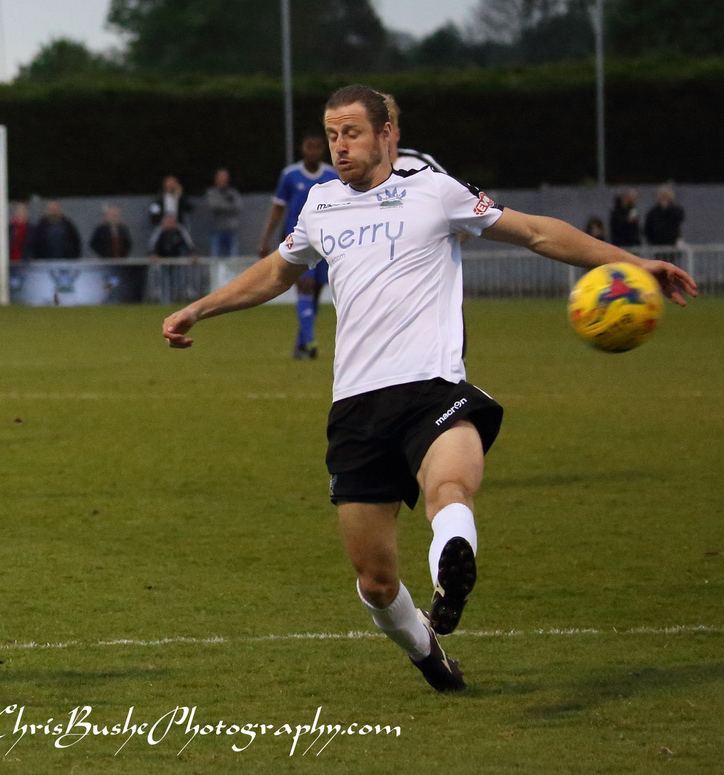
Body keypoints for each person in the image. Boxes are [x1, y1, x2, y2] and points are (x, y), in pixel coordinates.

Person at [162, 84, 696, 694]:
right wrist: (199, 308)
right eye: (332, 134)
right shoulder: (321, 205)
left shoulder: (434, 190)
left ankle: (452, 564)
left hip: (432, 388)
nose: (339, 145)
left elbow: (537, 234)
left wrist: (629, 263)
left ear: (387, 134)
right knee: (376, 582)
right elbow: (274, 274)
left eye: (352, 132)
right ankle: (425, 647)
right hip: (357, 408)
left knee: (449, 485)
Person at [257, 131, 338, 359]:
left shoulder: (332, 176)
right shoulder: (290, 175)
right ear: (303, 149)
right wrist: (266, 238)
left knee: (315, 293)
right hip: (298, 241)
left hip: (325, 243)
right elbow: (278, 208)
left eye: (317, 147)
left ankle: (302, 343)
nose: (312, 151)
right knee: (304, 286)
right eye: (308, 147)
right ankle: (310, 342)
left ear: (323, 150)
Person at [204, 168, 243, 257]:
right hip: (216, 231)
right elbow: (213, 205)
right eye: (220, 178)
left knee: (233, 258)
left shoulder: (233, 193)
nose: (222, 180)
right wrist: (229, 206)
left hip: (231, 230)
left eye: (224, 178)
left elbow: (238, 207)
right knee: (215, 258)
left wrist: (222, 205)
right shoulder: (211, 193)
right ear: (216, 179)